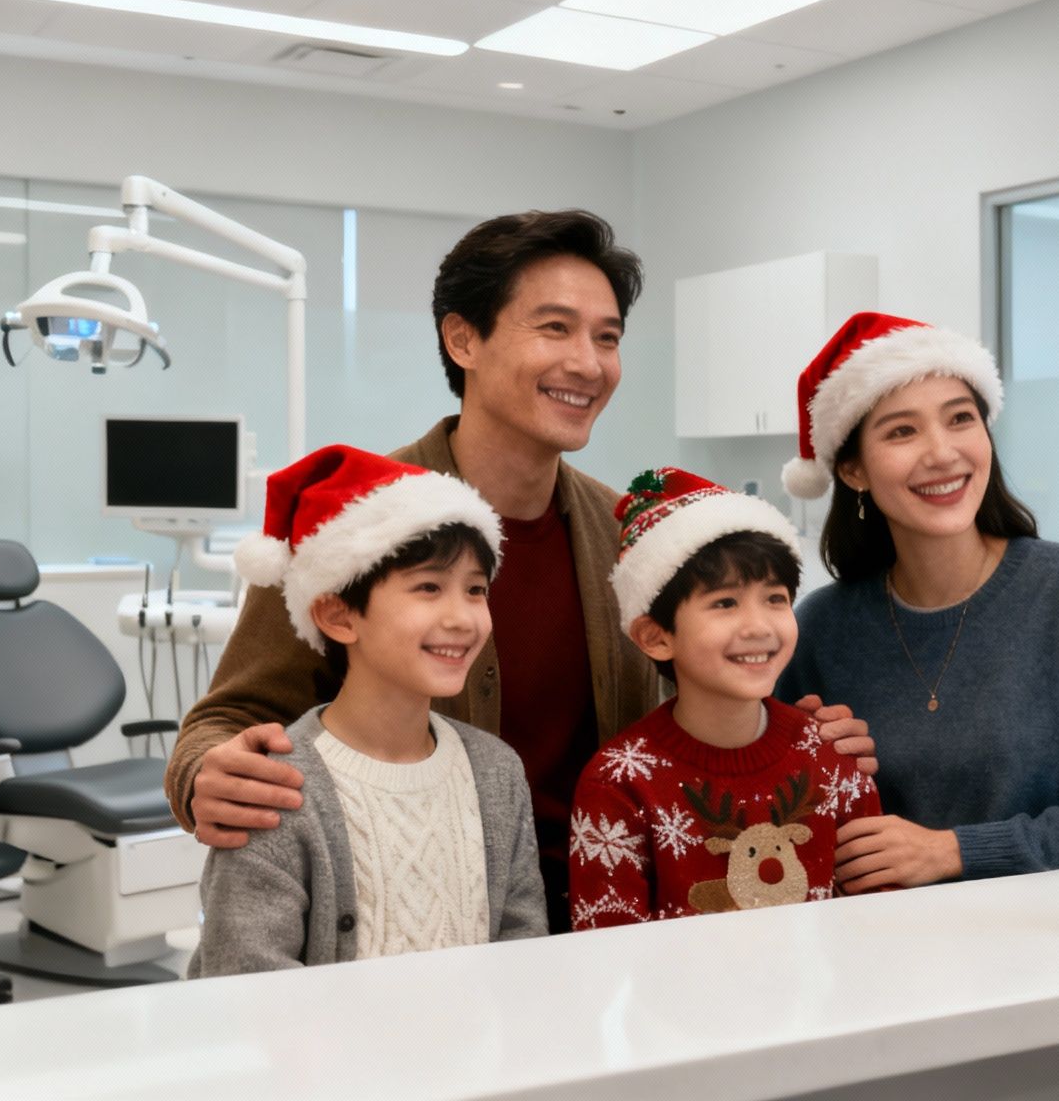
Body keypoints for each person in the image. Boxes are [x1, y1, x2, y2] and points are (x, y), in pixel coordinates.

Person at [167, 210, 874, 933]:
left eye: (608, 337)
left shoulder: (630, 536)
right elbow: (227, 719)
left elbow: (702, 694)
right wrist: (206, 774)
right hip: (427, 921)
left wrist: (796, 738)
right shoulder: (356, 528)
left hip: (620, 916)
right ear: (462, 338)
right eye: (555, 328)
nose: (589, 363)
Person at [775, 312, 1059, 892]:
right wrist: (797, 763)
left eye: (960, 419)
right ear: (853, 469)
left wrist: (953, 851)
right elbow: (773, 827)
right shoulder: (821, 628)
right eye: (901, 432)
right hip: (886, 954)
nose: (942, 452)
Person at [193, 446, 544, 975]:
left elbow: (524, 954)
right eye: (428, 587)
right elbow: (246, 988)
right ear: (338, 615)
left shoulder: (496, 774)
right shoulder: (276, 788)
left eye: (475, 590)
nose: (463, 618)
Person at [567, 468, 883, 927]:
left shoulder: (832, 756)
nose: (758, 626)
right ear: (656, 638)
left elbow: (879, 916)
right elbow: (610, 960)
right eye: (725, 603)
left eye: (775, 598)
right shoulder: (617, 785)